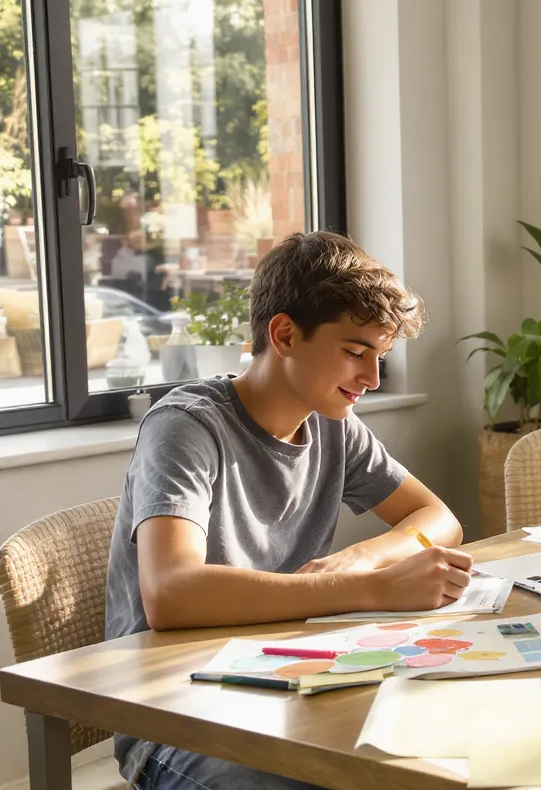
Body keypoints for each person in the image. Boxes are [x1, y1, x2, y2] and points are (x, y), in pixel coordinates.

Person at [105, 231, 475, 790]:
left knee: (449, 749)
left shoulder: (334, 425)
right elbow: (171, 594)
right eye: (355, 353)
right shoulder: (186, 427)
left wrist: (358, 560)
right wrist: (373, 589)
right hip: (177, 716)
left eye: (381, 357)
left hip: (287, 680)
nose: (372, 380)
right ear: (284, 334)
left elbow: (438, 518)